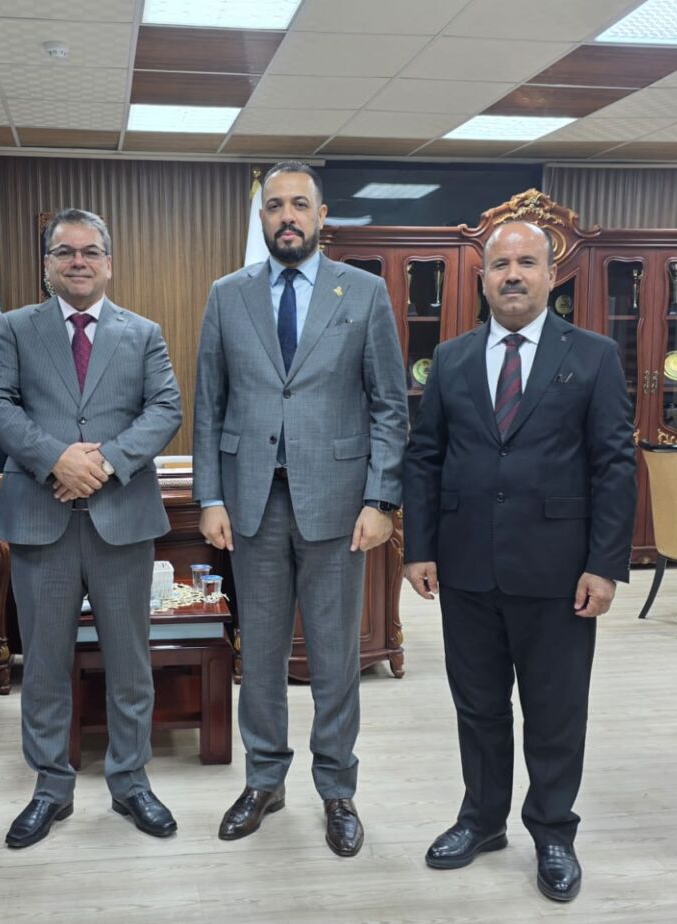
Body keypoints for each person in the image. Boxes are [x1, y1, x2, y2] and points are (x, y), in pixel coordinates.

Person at [403, 221, 636, 902]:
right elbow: (425, 457)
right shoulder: (451, 359)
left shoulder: (593, 356)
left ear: (550, 274)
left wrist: (605, 565)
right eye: (500, 264)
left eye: (526, 262)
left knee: (555, 711)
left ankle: (553, 831)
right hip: (466, 566)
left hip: (560, 572)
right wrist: (419, 548)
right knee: (478, 706)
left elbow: (615, 465)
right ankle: (481, 821)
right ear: (482, 279)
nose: (512, 274)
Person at [193, 162, 408, 856]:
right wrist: (210, 496)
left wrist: (381, 498)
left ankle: (337, 789)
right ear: (262, 218)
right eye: (275, 206)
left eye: (299, 205)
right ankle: (264, 780)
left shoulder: (363, 292)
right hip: (251, 505)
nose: (287, 216)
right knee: (258, 655)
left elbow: (389, 405)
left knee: (335, 656)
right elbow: (209, 404)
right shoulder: (228, 295)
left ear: (321, 216)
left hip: (339, 508)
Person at [0, 208, 182, 848]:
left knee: (130, 664)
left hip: (123, 520)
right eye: (65, 252)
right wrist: (55, 459)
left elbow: (166, 408)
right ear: (47, 264)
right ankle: (50, 788)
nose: (78, 262)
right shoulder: (14, 329)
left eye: (90, 251)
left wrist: (105, 463)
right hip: (41, 521)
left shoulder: (143, 333)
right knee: (42, 665)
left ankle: (131, 782)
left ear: (108, 262)